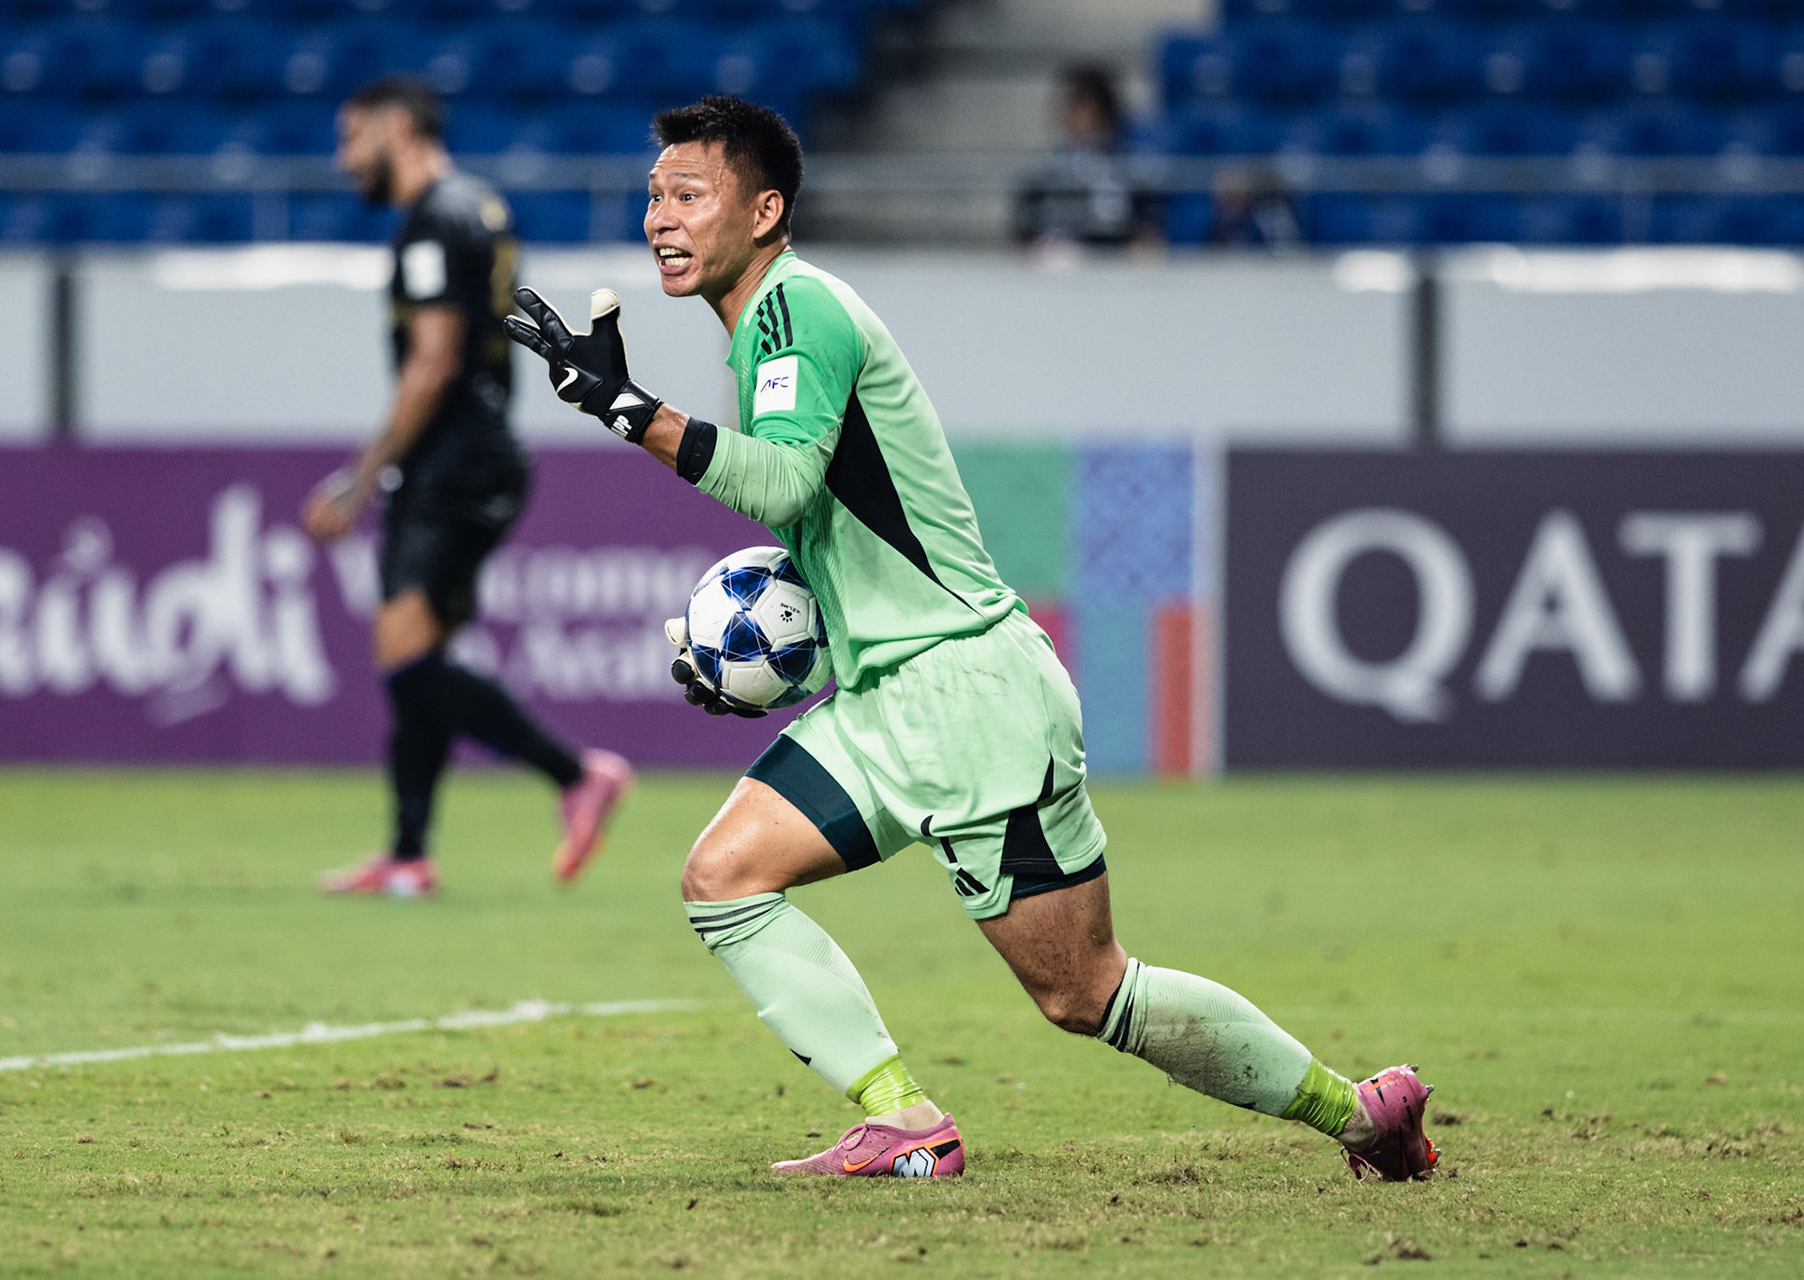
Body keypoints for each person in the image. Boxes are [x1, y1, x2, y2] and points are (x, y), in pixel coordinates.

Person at [505, 95, 1435, 1180]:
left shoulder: (796, 307)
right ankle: (903, 1119)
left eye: (689, 194)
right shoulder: (763, 329)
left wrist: (626, 408)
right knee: (724, 876)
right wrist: (754, 662)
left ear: (764, 211)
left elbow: (785, 482)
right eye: (655, 195)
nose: (661, 217)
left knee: (1084, 991)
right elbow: (841, 529)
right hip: (888, 699)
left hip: (966, 698)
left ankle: (1359, 1113)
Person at [303, 76, 631, 898]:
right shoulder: (479, 207)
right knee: (418, 659)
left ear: (395, 128)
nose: (345, 160)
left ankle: (576, 774)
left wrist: (357, 480)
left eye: (352, 138)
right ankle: (408, 855)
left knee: (405, 658)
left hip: (451, 461)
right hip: (476, 452)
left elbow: (433, 361)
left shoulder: (433, 221)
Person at [1014, 65, 1167, 253]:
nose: (1082, 124)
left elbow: (1146, 233)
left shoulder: (1129, 173)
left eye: (1091, 115)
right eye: (1074, 113)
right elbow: (1025, 232)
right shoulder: (1044, 176)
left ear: (1106, 117)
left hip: (1113, 263)